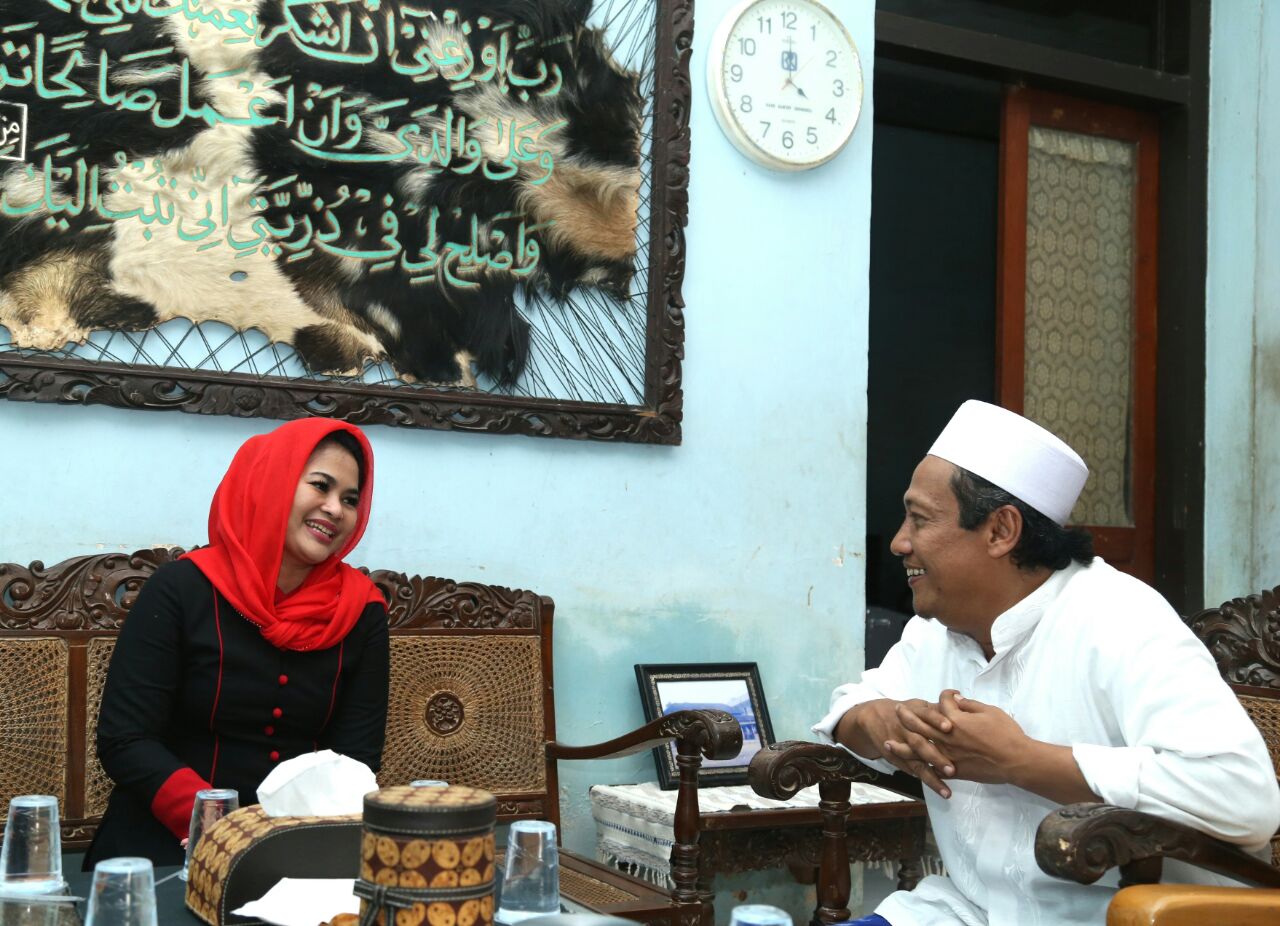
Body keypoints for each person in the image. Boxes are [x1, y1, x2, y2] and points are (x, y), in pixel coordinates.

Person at [813, 400, 1280, 926]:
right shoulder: (937, 629)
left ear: (1000, 531)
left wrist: (1024, 760)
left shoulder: (1121, 620)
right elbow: (850, 706)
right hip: (962, 912)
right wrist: (879, 721)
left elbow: (1245, 797)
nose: (899, 542)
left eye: (920, 519)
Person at [86, 418, 390, 868]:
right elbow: (126, 738)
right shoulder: (181, 589)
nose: (335, 509)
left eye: (350, 499)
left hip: (293, 846)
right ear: (271, 484)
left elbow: (354, 759)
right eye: (320, 486)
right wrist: (218, 823)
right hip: (164, 841)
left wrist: (280, 842)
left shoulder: (361, 610)